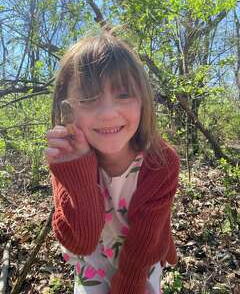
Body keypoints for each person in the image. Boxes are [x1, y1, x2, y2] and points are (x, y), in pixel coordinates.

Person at [45, 30, 180, 294]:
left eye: (123, 95)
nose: (107, 113)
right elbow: (81, 242)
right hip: (92, 257)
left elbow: (145, 240)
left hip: (142, 258)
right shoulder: (65, 161)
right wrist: (77, 172)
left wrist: (127, 285)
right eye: (87, 98)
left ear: (143, 101)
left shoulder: (161, 163)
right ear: (66, 109)